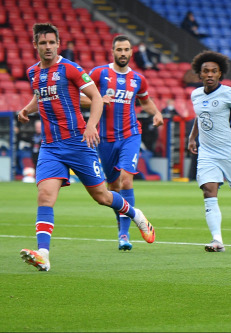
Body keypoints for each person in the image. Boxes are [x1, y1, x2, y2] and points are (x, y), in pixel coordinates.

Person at [17, 23, 155, 271]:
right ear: (35, 45)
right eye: (43, 43)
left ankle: (136, 215)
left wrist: (91, 126)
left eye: (52, 42)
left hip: (78, 143)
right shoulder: (32, 73)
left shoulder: (70, 68)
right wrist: (27, 109)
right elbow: (40, 95)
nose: (48, 47)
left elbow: (96, 98)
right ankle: (43, 254)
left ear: (58, 44)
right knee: (45, 196)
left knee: (102, 196)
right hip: (50, 147)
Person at [81, 34, 164, 251]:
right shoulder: (99, 73)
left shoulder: (138, 79)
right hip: (105, 139)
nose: (123, 53)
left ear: (131, 52)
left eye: (127, 50)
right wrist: (96, 100)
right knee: (113, 187)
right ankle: (123, 226)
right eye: (119, 50)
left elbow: (145, 101)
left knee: (126, 181)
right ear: (113, 51)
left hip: (131, 135)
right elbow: (77, 96)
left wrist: (156, 113)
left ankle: (124, 234)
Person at [188, 51, 231, 252]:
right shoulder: (196, 95)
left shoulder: (228, 93)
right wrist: (192, 138)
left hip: (229, 152)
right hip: (207, 153)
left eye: (214, 71)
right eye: (205, 71)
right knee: (209, 190)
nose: (209, 74)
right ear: (199, 74)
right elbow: (200, 117)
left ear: (220, 74)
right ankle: (217, 240)